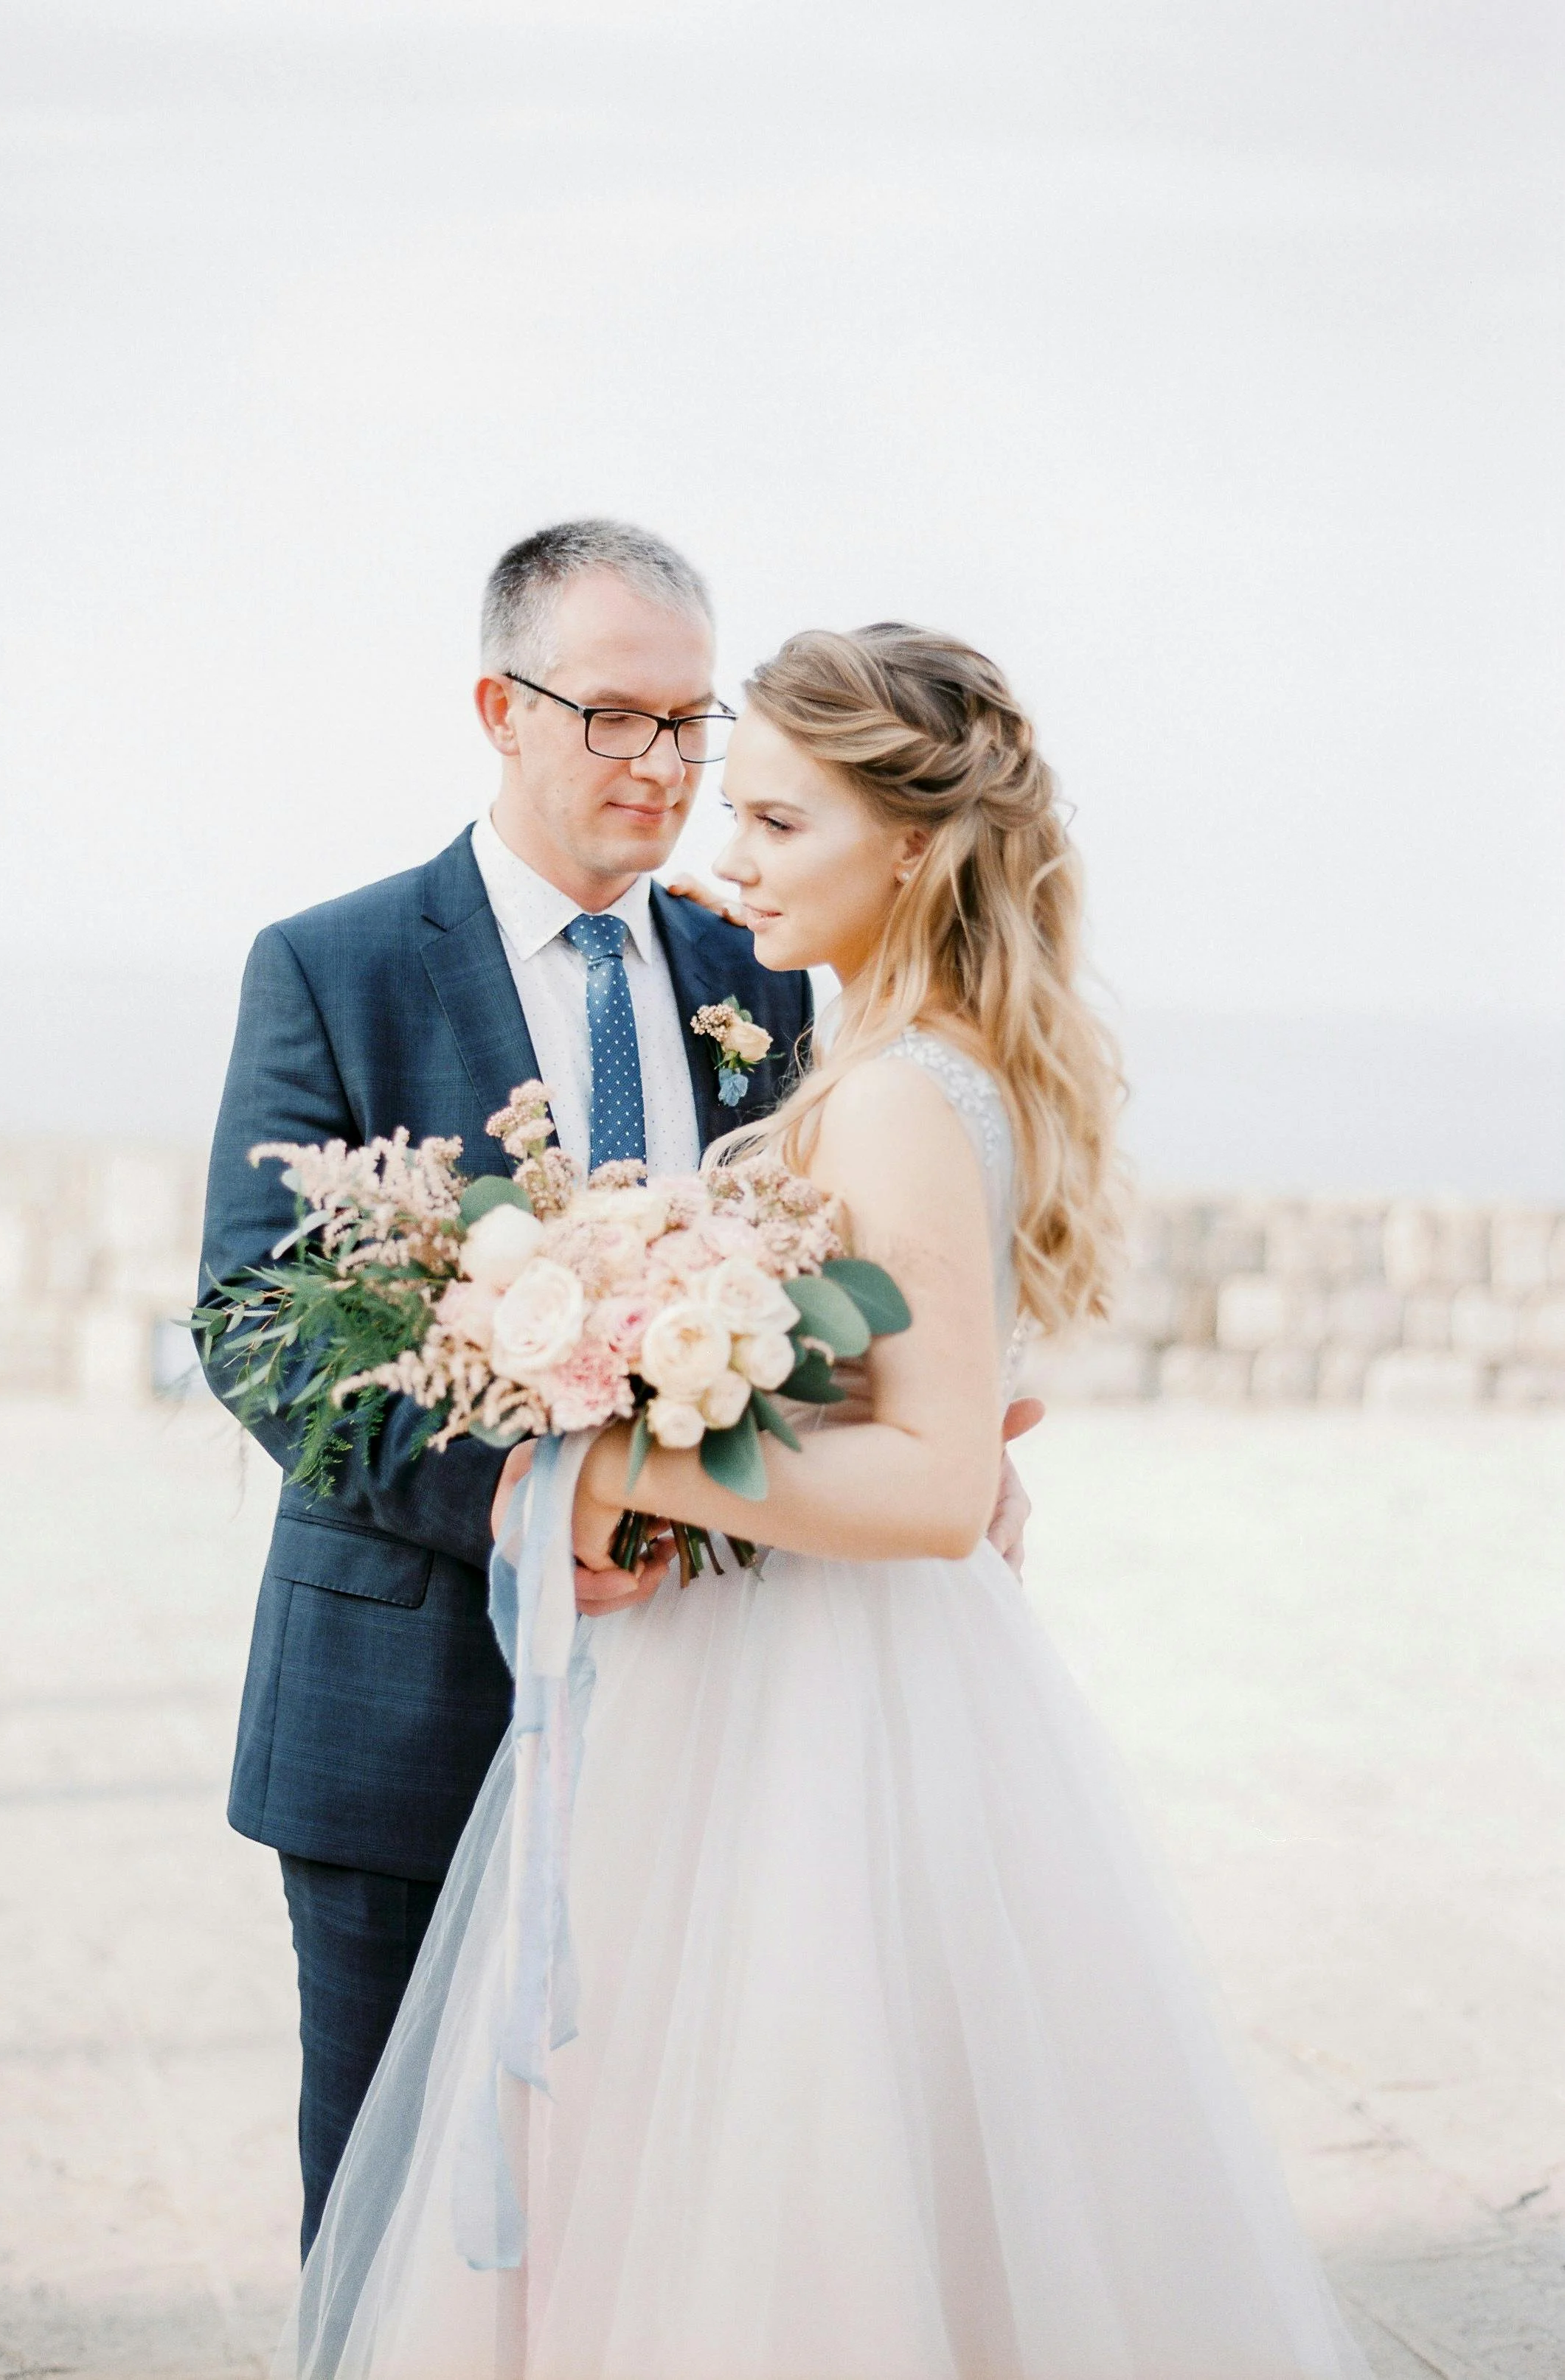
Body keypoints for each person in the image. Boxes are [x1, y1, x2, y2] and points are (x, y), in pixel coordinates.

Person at [279, 623, 1373, 2377]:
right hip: (796, 1676)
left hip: (811, 1712)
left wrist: (598, 1454)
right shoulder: (905, 1058)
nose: (726, 858)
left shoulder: (889, 1094)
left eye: (779, 824)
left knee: (782, 2156)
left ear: (916, 844)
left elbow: (937, 1483)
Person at [199, 524, 1036, 2261]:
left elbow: (853, 1268)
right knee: (387, 2227)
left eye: (691, 727)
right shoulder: (331, 964)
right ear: (500, 710)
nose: (664, 769)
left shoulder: (764, 968)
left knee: (661, 2217)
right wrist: (525, 1498)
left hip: (720, 1713)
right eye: (615, 719)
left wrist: (934, 1434)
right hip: (409, 1700)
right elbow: (256, 1319)